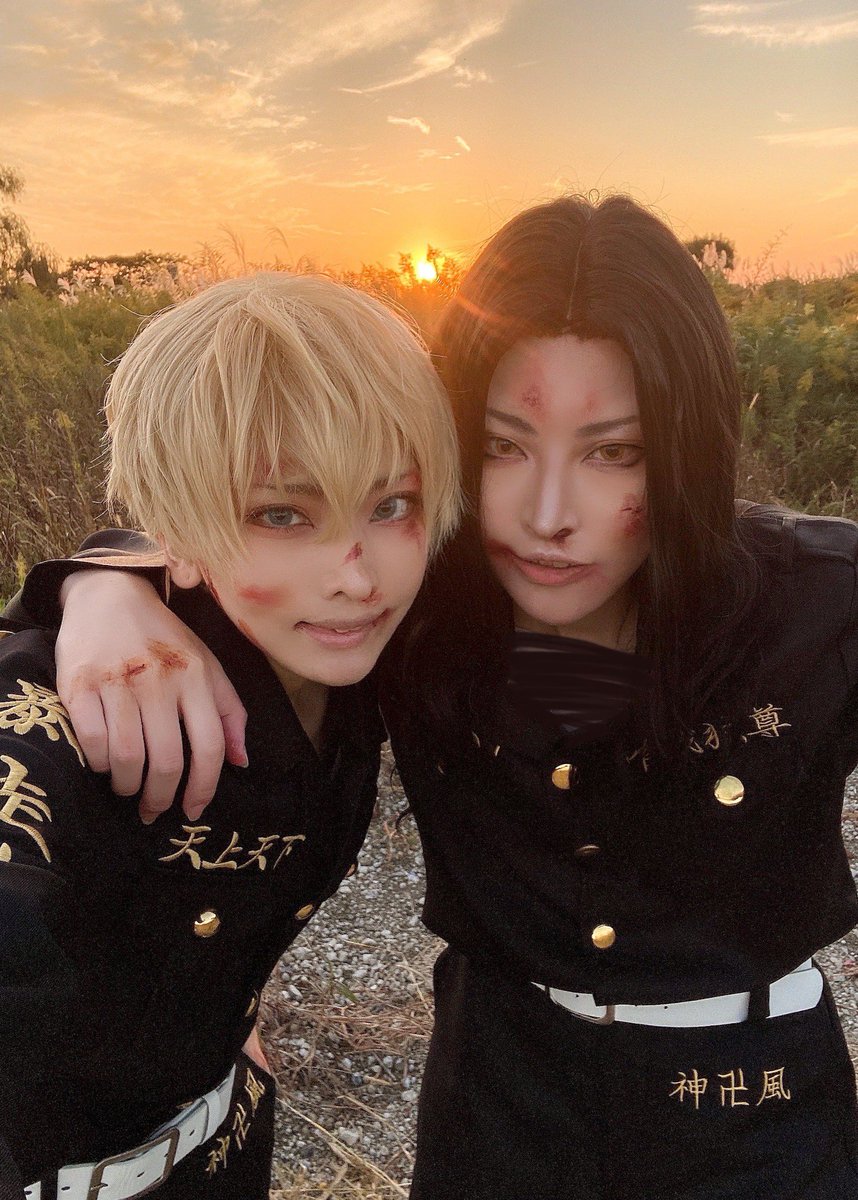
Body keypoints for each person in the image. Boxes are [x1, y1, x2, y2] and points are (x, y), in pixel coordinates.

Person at [8, 194, 858, 1198]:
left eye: (614, 452)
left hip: (754, 1115)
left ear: (687, 444)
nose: (549, 516)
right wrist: (103, 585)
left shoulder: (816, 603)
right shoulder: (417, 608)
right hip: (499, 1108)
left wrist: (100, 582)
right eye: (501, 446)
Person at [0, 271, 460, 1200]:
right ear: (175, 522)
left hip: (228, 1144)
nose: (356, 576)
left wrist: (223, 1020)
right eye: (281, 514)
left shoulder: (368, 653)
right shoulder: (70, 719)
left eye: (390, 504)